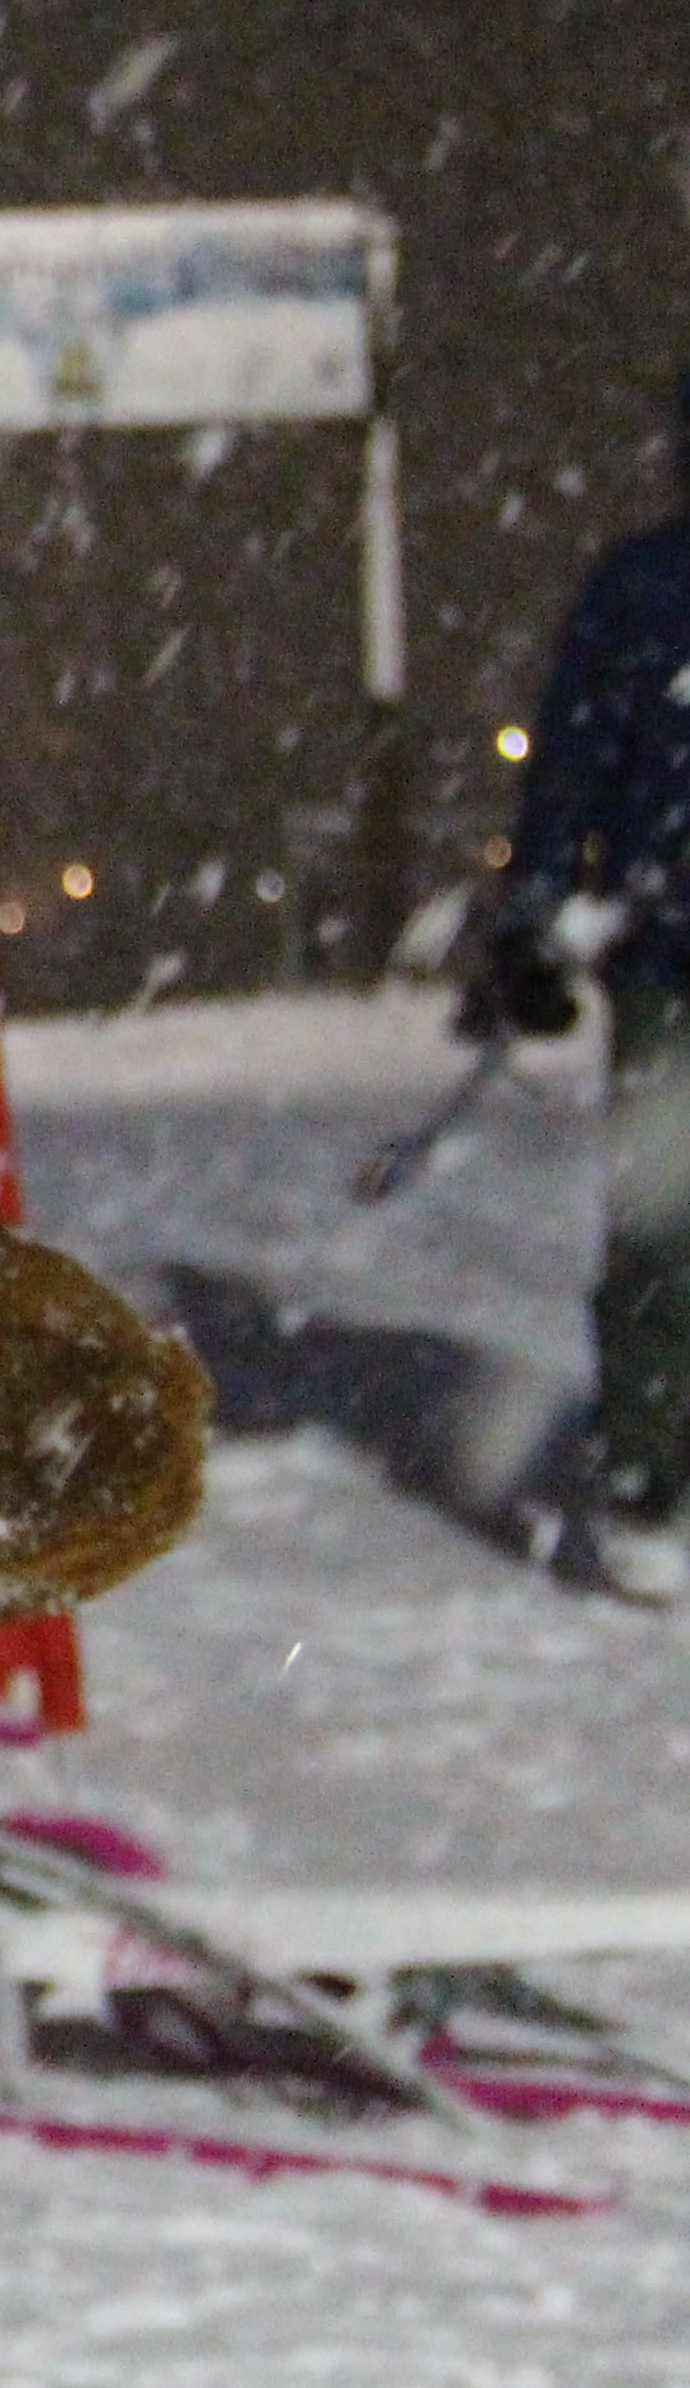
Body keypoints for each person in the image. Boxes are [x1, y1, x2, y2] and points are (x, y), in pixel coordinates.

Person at [459, 362, 690, 1606]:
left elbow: (570, 768)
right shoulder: (642, 590)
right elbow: (572, 768)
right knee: (663, 1228)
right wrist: (538, 917)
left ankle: (655, 1476)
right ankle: (654, 1485)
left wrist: (542, 906)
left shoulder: (636, 588)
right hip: (667, 950)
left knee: (664, 1230)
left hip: (659, 943)